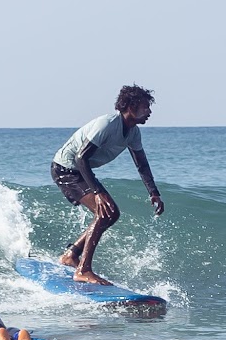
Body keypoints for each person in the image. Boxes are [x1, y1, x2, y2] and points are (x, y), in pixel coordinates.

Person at [51, 84, 164, 283]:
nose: (149, 112)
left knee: (111, 213)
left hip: (79, 170)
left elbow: (142, 164)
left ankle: (71, 255)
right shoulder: (108, 124)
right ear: (131, 106)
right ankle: (83, 270)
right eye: (146, 107)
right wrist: (97, 192)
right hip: (66, 168)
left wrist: (153, 192)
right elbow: (81, 158)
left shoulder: (133, 132)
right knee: (105, 211)